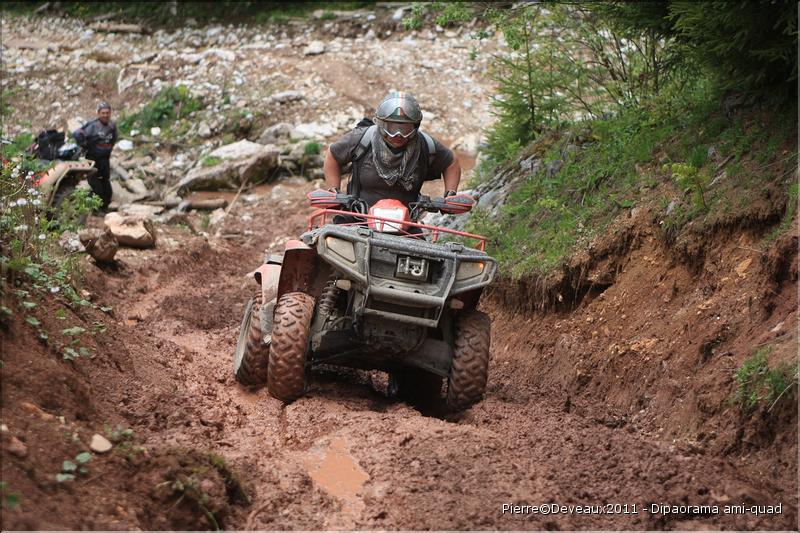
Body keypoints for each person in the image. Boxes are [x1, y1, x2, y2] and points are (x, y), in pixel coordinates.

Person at [323, 91, 461, 213]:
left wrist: (450, 196)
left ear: (416, 126)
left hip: (405, 225)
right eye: (391, 127)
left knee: (424, 242)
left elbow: (451, 163)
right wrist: (334, 193)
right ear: (381, 124)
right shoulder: (361, 138)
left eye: (405, 129)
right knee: (326, 241)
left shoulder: (426, 145)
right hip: (356, 218)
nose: (398, 135)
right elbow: (332, 156)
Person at [72, 102, 117, 211]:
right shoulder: (92, 125)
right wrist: (85, 145)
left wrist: (107, 149)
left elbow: (114, 138)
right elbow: (77, 134)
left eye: (107, 113)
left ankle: (104, 207)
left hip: (105, 160)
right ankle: (94, 208)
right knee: (96, 185)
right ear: (98, 113)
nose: (105, 115)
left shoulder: (112, 126)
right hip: (93, 160)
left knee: (106, 184)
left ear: (110, 113)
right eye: (103, 113)